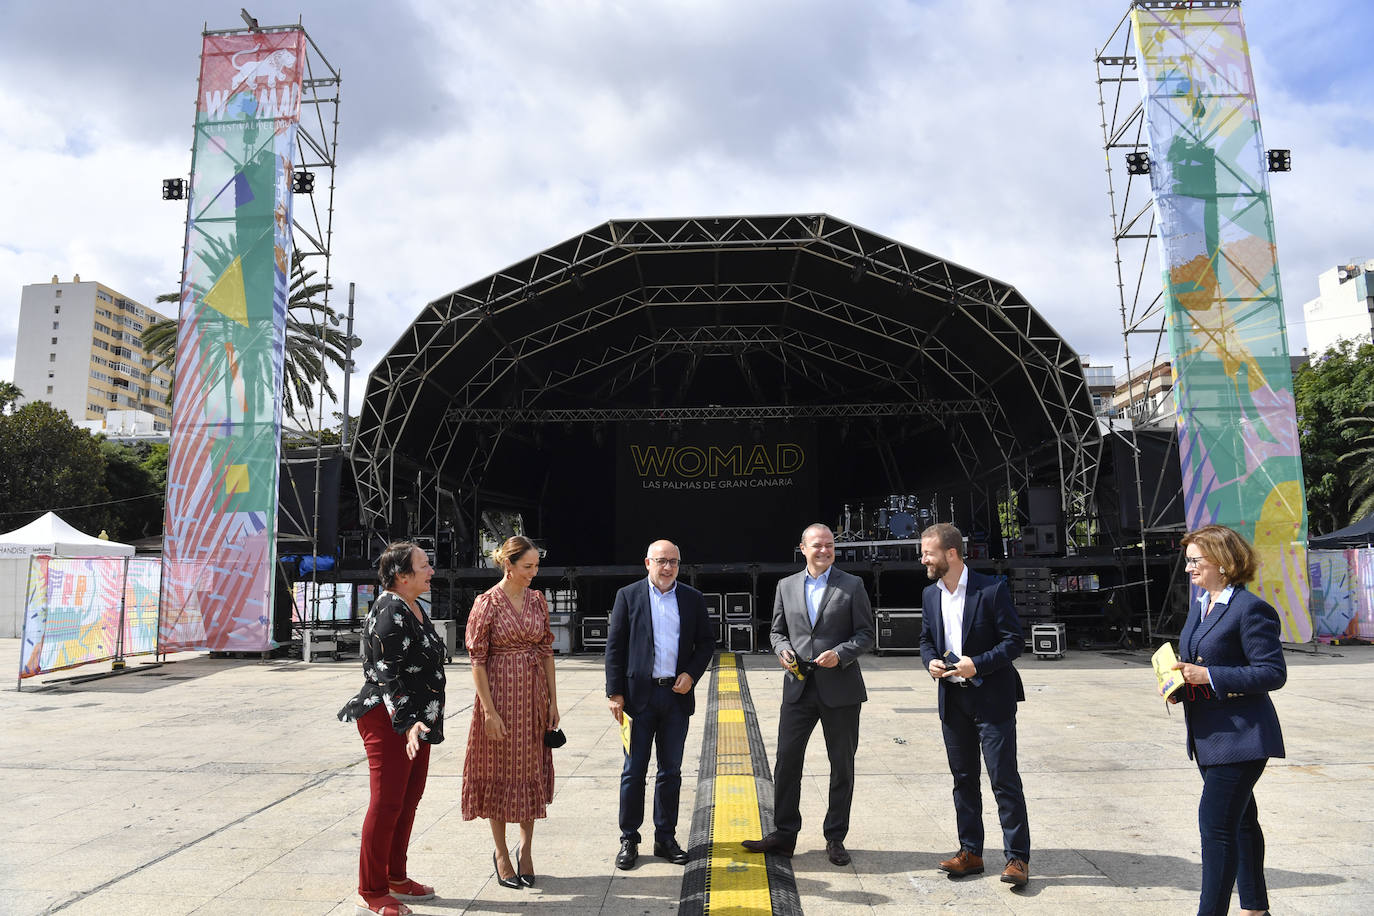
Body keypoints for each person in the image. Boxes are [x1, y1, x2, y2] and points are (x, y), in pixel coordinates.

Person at [1168, 524, 1286, 916]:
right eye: (1188, 562)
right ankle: (1255, 908)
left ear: (1223, 561)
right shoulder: (1202, 604)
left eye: (1195, 561)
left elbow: (1272, 672)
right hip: (1208, 737)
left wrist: (1209, 676)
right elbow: (1198, 661)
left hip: (1242, 737)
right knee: (1242, 823)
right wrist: (1177, 680)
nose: (1188, 569)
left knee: (1215, 827)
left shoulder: (1250, 609)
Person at [742, 523, 874, 866]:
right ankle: (784, 835)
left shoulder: (852, 585)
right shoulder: (786, 586)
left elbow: (865, 635)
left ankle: (835, 837)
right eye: (818, 545)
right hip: (798, 688)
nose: (825, 550)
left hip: (840, 688)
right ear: (802, 548)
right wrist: (782, 651)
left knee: (841, 765)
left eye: (830, 545)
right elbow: (776, 631)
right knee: (786, 762)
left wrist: (841, 654)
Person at [918, 522, 1030, 889]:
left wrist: (977, 663)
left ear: (951, 554)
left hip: (991, 698)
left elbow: (1014, 642)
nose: (924, 559)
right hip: (953, 699)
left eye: (928, 553)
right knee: (963, 779)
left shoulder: (991, 590)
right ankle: (971, 852)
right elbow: (925, 640)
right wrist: (931, 661)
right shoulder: (930, 595)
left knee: (1003, 779)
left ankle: (1017, 858)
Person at [339, 542, 446, 916]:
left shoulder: (413, 607)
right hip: (391, 720)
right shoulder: (389, 609)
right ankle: (370, 889)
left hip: (417, 720)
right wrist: (406, 723)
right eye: (424, 565)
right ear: (403, 576)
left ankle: (396, 877)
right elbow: (387, 675)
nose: (431, 570)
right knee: (386, 804)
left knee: (407, 800)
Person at [605, 539, 716, 870]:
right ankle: (629, 838)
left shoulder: (692, 599)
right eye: (661, 561)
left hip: (676, 698)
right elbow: (615, 647)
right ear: (647, 563)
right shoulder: (629, 596)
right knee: (633, 771)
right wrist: (614, 693)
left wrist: (691, 674)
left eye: (674, 562)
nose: (668, 567)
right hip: (638, 699)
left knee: (670, 772)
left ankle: (665, 837)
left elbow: (707, 642)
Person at [462, 535, 559, 890]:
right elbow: (477, 660)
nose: (534, 572)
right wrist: (488, 711)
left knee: (530, 770)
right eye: (528, 567)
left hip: (532, 699)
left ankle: (527, 850)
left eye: (536, 566)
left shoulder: (537, 600)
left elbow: (547, 649)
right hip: (499, 699)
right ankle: (501, 853)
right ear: (509, 565)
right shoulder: (486, 603)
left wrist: (552, 701)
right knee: (499, 773)